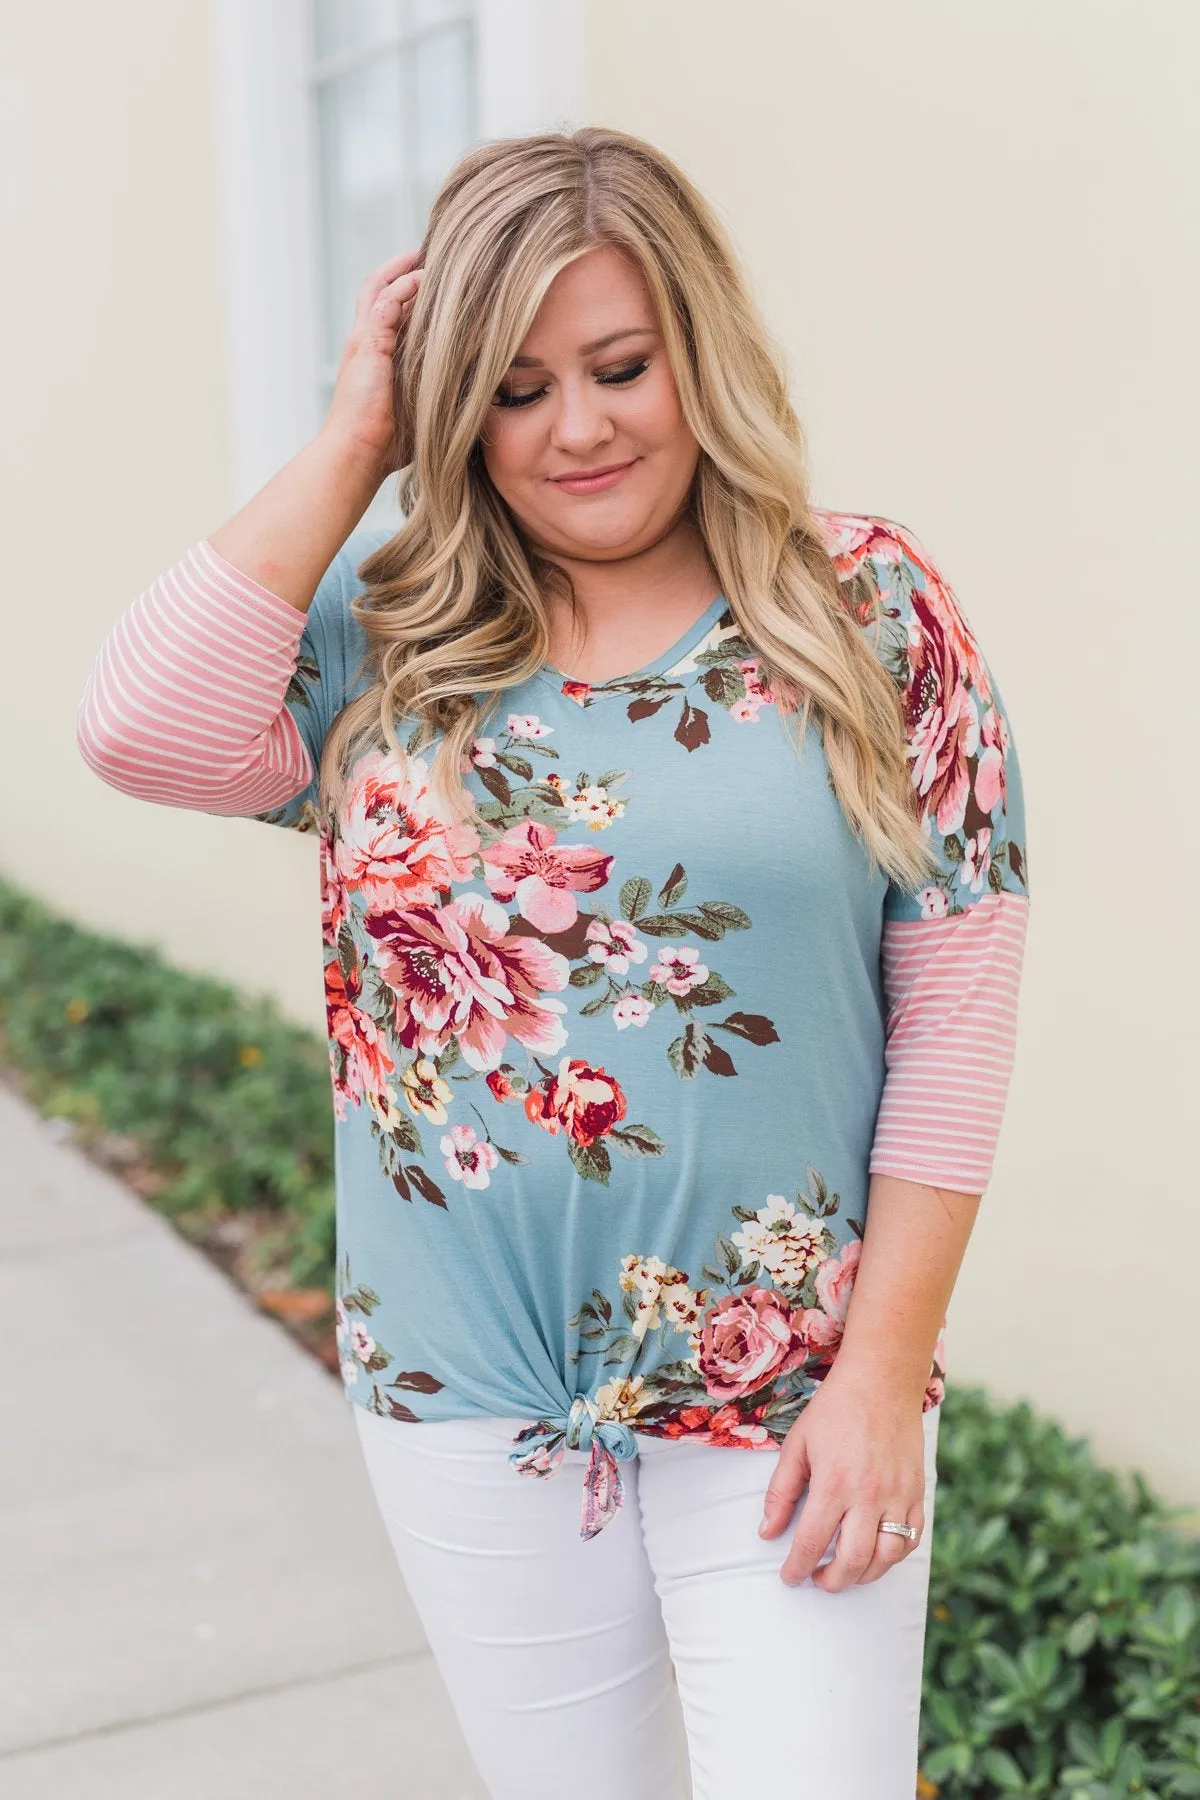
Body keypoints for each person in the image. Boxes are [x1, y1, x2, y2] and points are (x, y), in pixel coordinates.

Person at [76, 126, 1030, 1800]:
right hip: (465, 1394)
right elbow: (137, 727)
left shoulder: (868, 612)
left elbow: (955, 1020)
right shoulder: (390, 646)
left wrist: (884, 1375)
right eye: (512, 387)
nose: (578, 427)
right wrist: (355, 431)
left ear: (695, 353)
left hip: (786, 1388)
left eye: (617, 366)